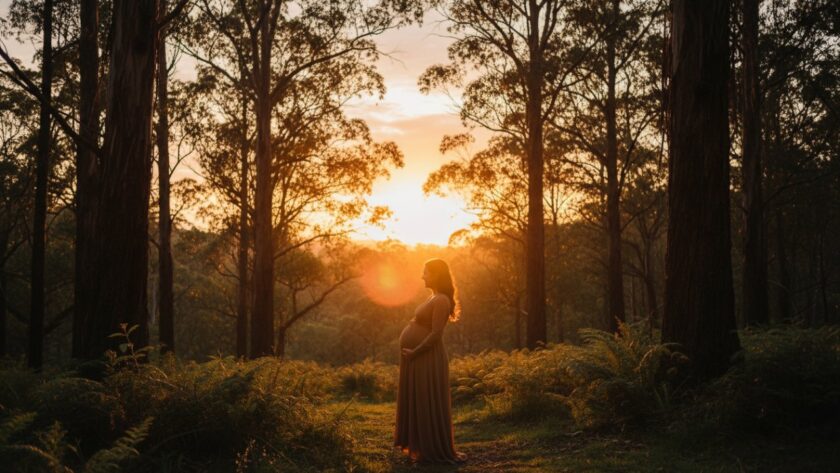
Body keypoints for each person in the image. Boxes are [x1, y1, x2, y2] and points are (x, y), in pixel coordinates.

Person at [394, 258, 468, 464]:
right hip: (418, 357)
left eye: (425, 272)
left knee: (427, 402)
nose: (422, 276)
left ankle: (433, 449)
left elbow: (436, 334)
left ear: (436, 274)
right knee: (419, 401)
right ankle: (420, 447)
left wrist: (415, 352)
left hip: (427, 358)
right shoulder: (433, 297)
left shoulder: (442, 300)